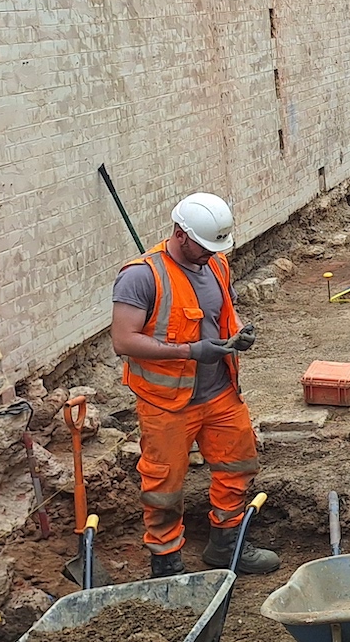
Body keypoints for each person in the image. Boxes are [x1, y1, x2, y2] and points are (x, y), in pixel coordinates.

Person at [110, 193, 278, 576]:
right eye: (203, 246)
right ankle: (166, 562)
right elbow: (124, 340)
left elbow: (220, 316)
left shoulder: (217, 263)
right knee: (164, 486)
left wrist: (237, 335)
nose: (209, 254)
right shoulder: (141, 276)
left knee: (237, 466)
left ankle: (226, 544)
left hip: (220, 392)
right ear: (181, 234)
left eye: (215, 247)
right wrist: (191, 351)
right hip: (167, 402)